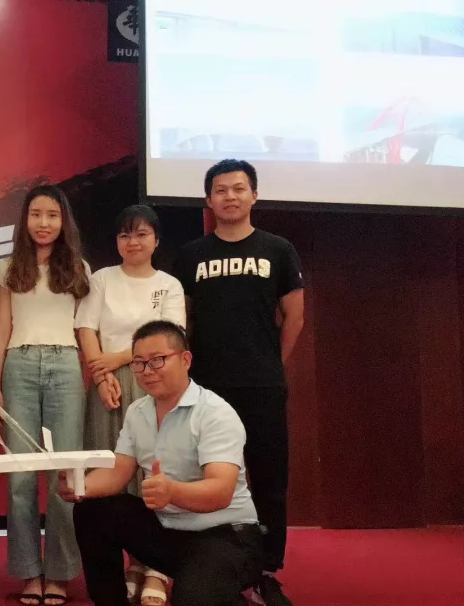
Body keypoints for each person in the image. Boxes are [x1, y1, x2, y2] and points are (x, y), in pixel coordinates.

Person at [173, 159, 304, 606]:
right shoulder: (191, 254)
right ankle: (209, 564)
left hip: (262, 384)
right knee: (204, 475)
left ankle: (266, 570)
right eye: (221, 190)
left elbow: (294, 317)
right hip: (206, 387)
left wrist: (270, 363)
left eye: (239, 188)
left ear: (254, 195)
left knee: (269, 479)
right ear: (208, 200)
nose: (230, 196)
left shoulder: (278, 249)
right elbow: (184, 320)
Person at [61, 320, 265, 606]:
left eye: (158, 360)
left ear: (186, 360)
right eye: (139, 363)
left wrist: (172, 492)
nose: (147, 371)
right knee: (93, 511)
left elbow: (221, 492)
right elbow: (118, 472)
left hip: (227, 535)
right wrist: (80, 486)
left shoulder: (215, 413)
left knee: (192, 599)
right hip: (169, 532)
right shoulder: (138, 411)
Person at [74, 205, 185, 605]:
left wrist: (122, 358)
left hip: (155, 380)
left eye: (141, 234)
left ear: (156, 240)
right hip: (108, 385)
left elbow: (171, 336)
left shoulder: (169, 284)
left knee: (153, 472)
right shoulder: (102, 279)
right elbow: (86, 328)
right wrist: (102, 375)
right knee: (110, 471)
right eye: (124, 235)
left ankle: (153, 568)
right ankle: (123, 566)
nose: (132, 242)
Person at [0, 185, 90, 606]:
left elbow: (86, 329)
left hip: (66, 365)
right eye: (36, 214)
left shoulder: (79, 268)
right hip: (19, 366)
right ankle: (30, 571)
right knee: (20, 478)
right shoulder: (9, 267)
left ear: (64, 221)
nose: (44, 223)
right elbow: (1, 328)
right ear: (25, 220)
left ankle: (61, 573)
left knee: (65, 475)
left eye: (52, 215)